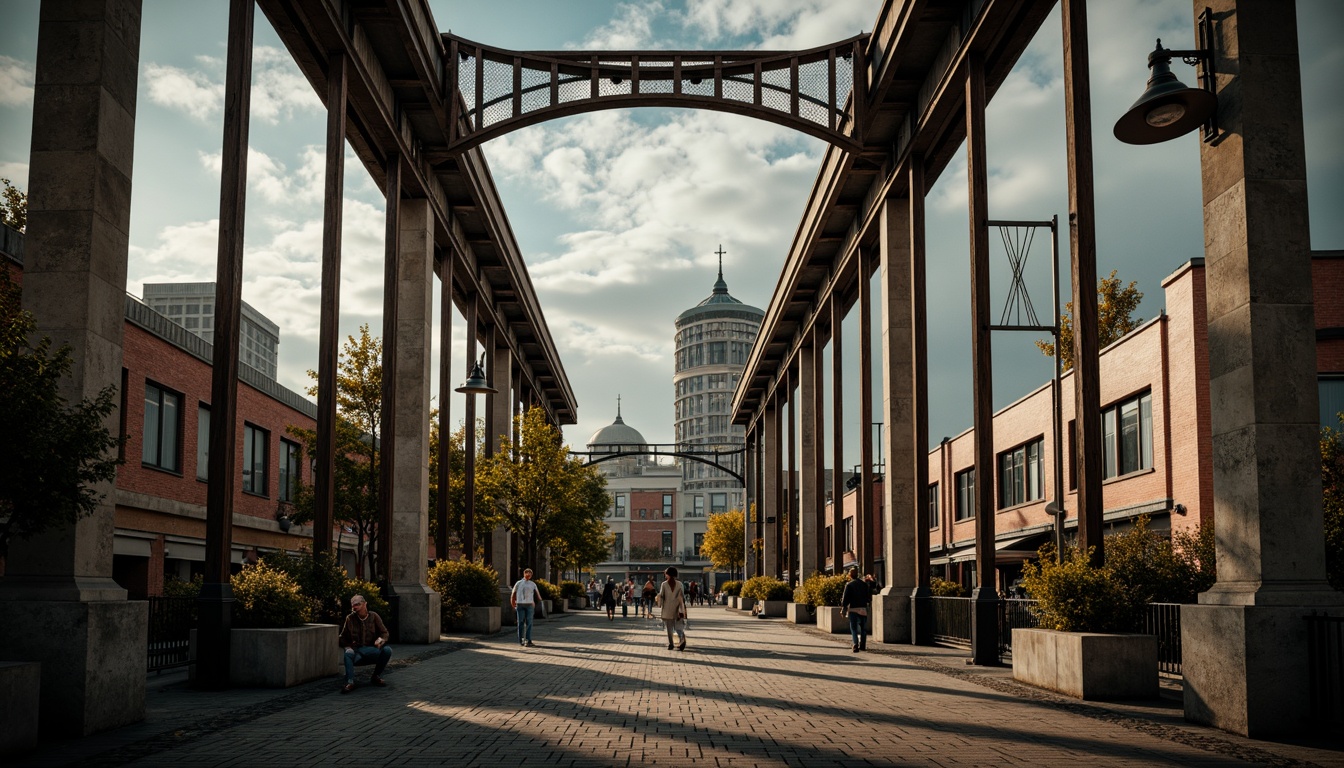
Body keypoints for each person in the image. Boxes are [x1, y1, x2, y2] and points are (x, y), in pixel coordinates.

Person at [338, 594, 391, 693]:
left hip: (373, 649)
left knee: (387, 650)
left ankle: (376, 676)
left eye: (357, 604)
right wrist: (347, 647)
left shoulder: (374, 616)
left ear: (365, 604)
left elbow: (385, 633)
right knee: (348, 654)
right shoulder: (350, 618)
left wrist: (380, 640)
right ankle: (350, 682)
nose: (355, 607)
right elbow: (342, 637)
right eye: (353, 605)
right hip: (357, 651)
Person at [657, 566, 688, 651]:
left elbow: (661, 596)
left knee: (669, 628)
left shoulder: (664, 584)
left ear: (668, 574)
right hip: (678, 609)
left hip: (667, 609)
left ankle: (671, 644)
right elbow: (682, 597)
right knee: (679, 627)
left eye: (666, 574)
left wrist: (659, 601)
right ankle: (681, 639)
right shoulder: (679, 584)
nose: (665, 575)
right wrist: (682, 608)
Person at [841, 567, 871, 652]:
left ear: (850, 575)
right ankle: (863, 645)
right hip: (863, 608)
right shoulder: (864, 584)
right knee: (863, 628)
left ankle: (855, 644)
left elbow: (845, 598)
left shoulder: (849, 585)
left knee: (854, 628)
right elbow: (868, 597)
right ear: (857, 574)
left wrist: (843, 607)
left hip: (853, 609)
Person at [511, 567, 540, 647]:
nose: (528, 575)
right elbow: (513, 593)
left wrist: (535, 601)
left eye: (530, 574)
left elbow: (537, 594)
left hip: (529, 605)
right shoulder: (519, 583)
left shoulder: (532, 584)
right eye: (527, 573)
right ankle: (521, 640)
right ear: (524, 574)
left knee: (529, 622)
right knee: (520, 622)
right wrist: (513, 602)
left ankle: (528, 640)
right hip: (520, 604)